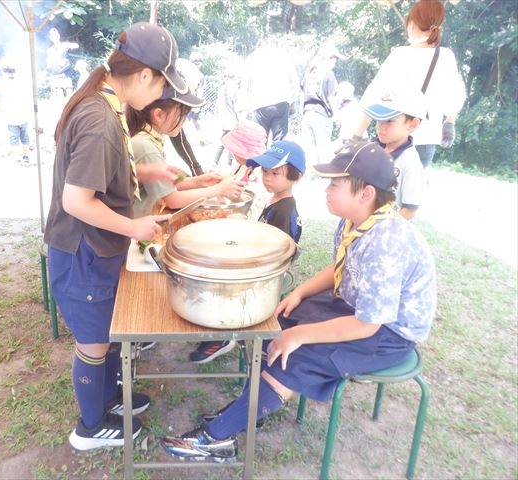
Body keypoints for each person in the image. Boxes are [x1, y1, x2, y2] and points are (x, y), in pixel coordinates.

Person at [161, 140, 437, 461]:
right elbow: (341, 266)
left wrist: (301, 334)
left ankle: (216, 438)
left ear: (366, 194)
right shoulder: (355, 221)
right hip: (356, 306)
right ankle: (252, 409)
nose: (327, 190)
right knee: (275, 325)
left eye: (336, 184)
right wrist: (300, 292)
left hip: (387, 333)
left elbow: (367, 324)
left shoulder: (386, 242)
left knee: (297, 352)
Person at [43, 21, 187, 452]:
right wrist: (133, 227)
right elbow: (76, 199)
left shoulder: (106, 105)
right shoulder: (99, 118)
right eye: (162, 83)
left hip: (94, 248)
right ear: (145, 75)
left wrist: (147, 172)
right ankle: (89, 427)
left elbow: (100, 171)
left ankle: (108, 402)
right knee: (92, 342)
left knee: (104, 333)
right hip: (81, 251)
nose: (161, 94)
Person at [189, 140, 306, 364]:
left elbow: (276, 253)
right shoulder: (276, 200)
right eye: (265, 172)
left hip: (263, 277)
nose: (267, 178)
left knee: (219, 285)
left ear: (296, 176)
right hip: (258, 266)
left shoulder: (285, 210)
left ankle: (224, 336)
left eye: (275, 173)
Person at [349, 0, 466, 169]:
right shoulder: (446, 56)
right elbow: (454, 97)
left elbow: (374, 98)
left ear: (411, 23)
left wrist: (356, 136)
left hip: (394, 137)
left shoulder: (399, 55)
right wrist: (449, 123)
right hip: (426, 140)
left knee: (383, 192)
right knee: (411, 192)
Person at [187, 119, 267, 364]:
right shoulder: (243, 166)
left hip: (243, 240)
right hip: (229, 230)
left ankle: (222, 335)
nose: (232, 153)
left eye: (236, 150)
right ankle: (206, 317)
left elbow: (249, 213)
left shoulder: (261, 176)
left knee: (216, 279)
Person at [127, 74, 244, 219]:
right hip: (133, 228)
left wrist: (197, 182)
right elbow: (173, 200)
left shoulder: (149, 138)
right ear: (159, 115)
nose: (185, 121)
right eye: (182, 115)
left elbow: (164, 189)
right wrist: (218, 190)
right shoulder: (145, 146)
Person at [362, 90, 427, 220]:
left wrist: (385, 231)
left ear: (412, 124)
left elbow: (410, 210)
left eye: (389, 121)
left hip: (384, 232)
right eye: (379, 119)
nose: (380, 126)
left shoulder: (410, 163)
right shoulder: (373, 149)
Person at [237, 40, 299, 143]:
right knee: (279, 140)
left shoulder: (253, 57)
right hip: (281, 102)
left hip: (260, 103)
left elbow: (245, 83)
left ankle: (260, 158)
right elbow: (295, 81)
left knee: (259, 140)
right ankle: (276, 157)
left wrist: (243, 107)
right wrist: (292, 100)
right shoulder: (284, 55)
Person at [300, 46, 344, 165]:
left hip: (307, 114)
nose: (335, 63)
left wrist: (301, 113)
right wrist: (338, 117)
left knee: (310, 147)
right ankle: (324, 175)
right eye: (334, 60)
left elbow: (302, 94)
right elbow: (331, 98)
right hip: (321, 115)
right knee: (323, 146)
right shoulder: (328, 74)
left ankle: (312, 174)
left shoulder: (309, 74)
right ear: (329, 59)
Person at [0, 57, 33, 165]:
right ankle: (26, 157)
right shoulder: (23, 81)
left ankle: (17, 158)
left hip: (11, 116)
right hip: (23, 115)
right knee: (25, 137)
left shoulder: (2, 82)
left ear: (3, 71)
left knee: (14, 138)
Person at [45, 27, 79, 97]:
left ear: (58, 36)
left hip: (66, 74)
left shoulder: (64, 44)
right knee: (59, 95)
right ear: (50, 38)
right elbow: (49, 65)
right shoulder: (50, 50)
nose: (55, 37)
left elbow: (76, 46)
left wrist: (69, 45)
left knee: (69, 95)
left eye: (56, 35)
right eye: (53, 36)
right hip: (56, 75)